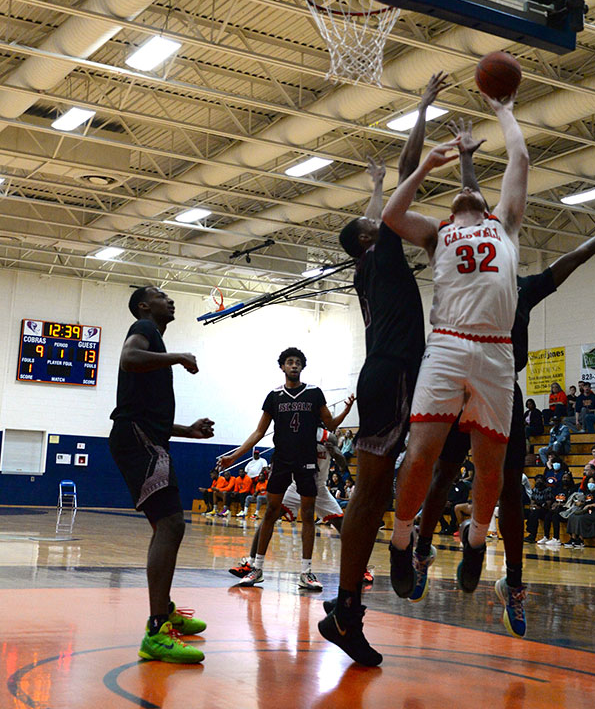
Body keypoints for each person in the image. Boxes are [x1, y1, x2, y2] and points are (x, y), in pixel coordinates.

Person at [410, 196, 595, 637]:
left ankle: (513, 583)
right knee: (442, 473)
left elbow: (571, 261)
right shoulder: (461, 276)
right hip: (459, 385)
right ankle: (422, 551)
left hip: (501, 391)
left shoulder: (521, 287)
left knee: (509, 488)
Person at [318, 73, 449, 668]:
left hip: (380, 373)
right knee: (371, 493)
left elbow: (375, 212)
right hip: (395, 373)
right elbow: (406, 174)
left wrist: (372, 190)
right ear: (374, 236)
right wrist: (420, 109)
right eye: (377, 221)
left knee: (373, 490)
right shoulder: (385, 247)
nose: (384, 219)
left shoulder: (363, 265)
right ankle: (357, 600)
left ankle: (346, 605)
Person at [383, 89, 530, 608]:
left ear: (487, 205)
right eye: (459, 195)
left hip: (495, 351)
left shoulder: (505, 226)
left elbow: (521, 158)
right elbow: (392, 215)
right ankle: (402, 542)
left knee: (490, 468)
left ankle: (474, 541)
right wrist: (424, 168)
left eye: (473, 195)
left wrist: (504, 110)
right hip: (446, 345)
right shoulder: (436, 233)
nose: (466, 198)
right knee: (421, 454)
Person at [109, 285, 214, 664]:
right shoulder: (145, 328)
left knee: (168, 525)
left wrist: (190, 431)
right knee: (171, 525)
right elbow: (128, 358)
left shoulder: (153, 343)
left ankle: (163, 610)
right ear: (143, 306)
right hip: (137, 439)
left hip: (146, 436)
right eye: (160, 295)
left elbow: (152, 416)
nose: (169, 300)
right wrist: (178, 357)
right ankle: (156, 631)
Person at [217, 347, 354, 590]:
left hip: (306, 461)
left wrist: (346, 410)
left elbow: (331, 423)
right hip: (281, 460)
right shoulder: (274, 396)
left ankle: (306, 572)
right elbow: (259, 432)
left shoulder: (313, 393)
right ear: (282, 367)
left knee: (309, 515)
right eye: (289, 362)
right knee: (270, 511)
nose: (294, 365)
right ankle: (256, 568)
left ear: (302, 367)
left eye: (298, 362)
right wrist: (234, 455)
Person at [564, 467, 595, 548]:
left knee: (581, 518)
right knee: (572, 516)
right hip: (586, 510)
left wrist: (591, 505)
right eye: (589, 482)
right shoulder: (586, 492)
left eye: (592, 482)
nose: (590, 484)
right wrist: (580, 503)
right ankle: (573, 538)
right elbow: (584, 502)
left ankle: (581, 540)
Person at [542, 470, 577, 546]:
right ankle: (546, 536)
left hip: (566, 510)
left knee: (555, 516)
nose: (565, 479)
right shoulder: (558, 489)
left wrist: (562, 504)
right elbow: (555, 499)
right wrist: (554, 503)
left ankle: (556, 538)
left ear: (570, 479)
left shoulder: (572, 490)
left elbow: (572, 502)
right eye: (564, 477)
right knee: (547, 515)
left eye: (567, 478)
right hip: (557, 508)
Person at [523, 475, 553, 544]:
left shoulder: (548, 490)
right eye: (537, 481)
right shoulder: (535, 489)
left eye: (540, 481)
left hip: (546, 510)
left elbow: (548, 505)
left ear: (544, 482)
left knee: (534, 513)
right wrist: (533, 506)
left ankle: (532, 536)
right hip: (536, 509)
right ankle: (526, 531)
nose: (538, 482)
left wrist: (539, 507)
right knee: (525, 512)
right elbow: (532, 502)